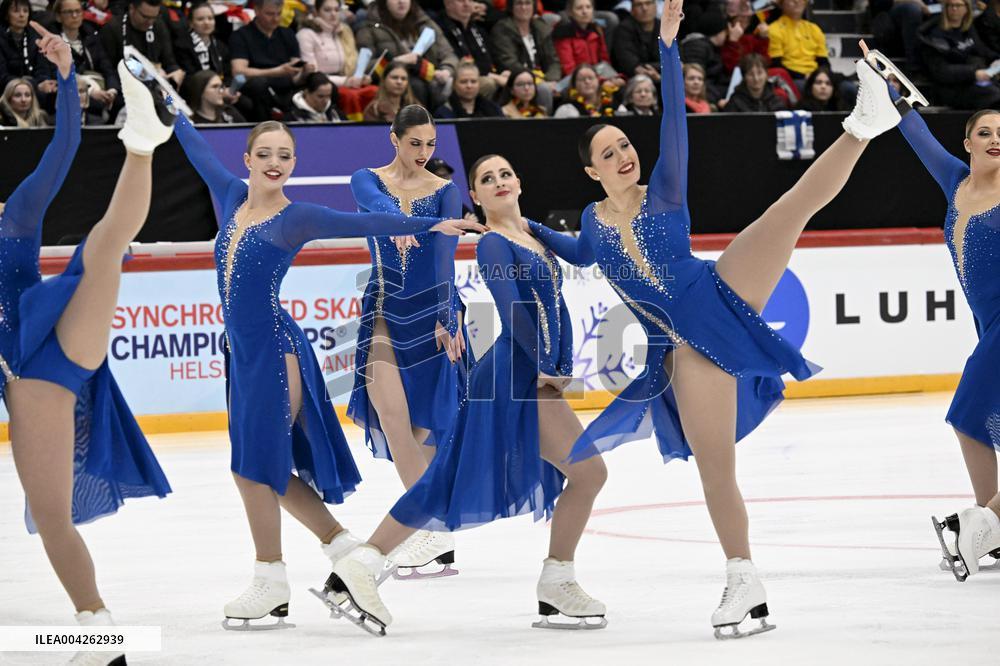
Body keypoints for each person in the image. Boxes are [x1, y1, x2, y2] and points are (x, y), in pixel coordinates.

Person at [527, 1, 908, 638]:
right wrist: (521, 226)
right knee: (715, 469)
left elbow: (674, 120)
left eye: (625, 144)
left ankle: (864, 124)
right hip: (682, 349)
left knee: (790, 208)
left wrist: (668, 46)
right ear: (591, 171)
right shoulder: (593, 223)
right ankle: (744, 581)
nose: (624, 155)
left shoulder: (664, 191)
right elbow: (574, 253)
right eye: (609, 152)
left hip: (719, 291)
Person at [172, 95, 482, 630]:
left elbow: (351, 221)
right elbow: (196, 147)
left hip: (275, 349)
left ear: (294, 165)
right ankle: (343, 549)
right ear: (246, 158)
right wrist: (164, 107)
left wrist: (430, 228)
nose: (275, 162)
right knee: (254, 468)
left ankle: (272, 578)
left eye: (285, 156)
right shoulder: (230, 195)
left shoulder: (298, 216)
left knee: (257, 466)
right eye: (265, 152)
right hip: (240, 353)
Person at [326, 154, 609, 636]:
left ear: (519, 181)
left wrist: (610, 202)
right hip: (516, 379)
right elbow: (515, 313)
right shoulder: (494, 245)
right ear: (474, 197)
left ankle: (362, 565)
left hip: (526, 378)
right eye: (486, 179)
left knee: (450, 483)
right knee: (583, 473)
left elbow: (584, 252)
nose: (499, 182)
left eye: (505, 174)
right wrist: (549, 367)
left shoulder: (533, 233)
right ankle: (556, 578)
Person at [1, 28, 173, 664]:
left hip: (54, 339)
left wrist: (68, 76)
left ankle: (142, 143)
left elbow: (65, 145)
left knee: (101, 250)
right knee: (51, 516)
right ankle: (97, 630)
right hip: (26, 378)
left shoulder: (14, 216)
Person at [885, 51, 1000, 581]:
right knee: (975, 421)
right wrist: (886, 80)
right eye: (986, 132)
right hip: (988, 323)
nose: (996, 139)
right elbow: (913, 130)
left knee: (965, 414)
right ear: (967, 143)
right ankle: (994, 532)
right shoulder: (954, 179)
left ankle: (988, 523)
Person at [346, 105, 469, 579]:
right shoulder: (367, 179)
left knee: (422, 429)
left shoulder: (445, 191)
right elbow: (374, 206)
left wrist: (445, 316)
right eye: (414, 143)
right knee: (394, 419)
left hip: (433, 311)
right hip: (383, 307)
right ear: (393, 139)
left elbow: (444, 256)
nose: (423, 153)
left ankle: (430, 533)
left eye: (430, 145)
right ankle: (432, 529)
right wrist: (400, 221)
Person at [354, 0, 458, 109]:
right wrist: (396, 61)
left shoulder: (425, 23)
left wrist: (446, 70)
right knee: (416, 86)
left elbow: (449, 55)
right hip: (392, 81)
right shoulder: (369, 28)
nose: (401, 1)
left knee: (464, 82)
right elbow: (363, 68)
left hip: (432, 77)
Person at [228, 0, 314, 121]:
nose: (275, 19)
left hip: (286, 85)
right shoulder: (241, 36)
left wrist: (304, 73)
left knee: (319, 80)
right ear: (257, 11)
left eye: (279, 14)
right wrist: (276, 71)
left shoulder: (288, 34)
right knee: (259, 84)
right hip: (259, 87)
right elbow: (238, 72)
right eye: (270, 14)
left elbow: (295, 76)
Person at [296, 0, 376, 119]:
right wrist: (346, 81)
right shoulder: (306, 34)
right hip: (321, 84)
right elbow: (313, 75)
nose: (333, 14)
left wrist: (360, 78)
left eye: (336, 10)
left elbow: (350, 65)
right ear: (317, 12)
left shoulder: (341, 32)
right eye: (327, 10)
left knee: (374, 91)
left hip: (344, 80)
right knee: (351, 96)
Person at [918, 0, 1000, 110]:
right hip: (952, 88)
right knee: (993, 95)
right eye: (951, 5)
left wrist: (995, 59)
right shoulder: (934, 35)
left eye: (958, 5)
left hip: (976, 80)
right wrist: (973, 73)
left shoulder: (967, 28)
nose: (954, 9)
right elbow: (941, 71)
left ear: (967, 8)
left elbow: (981, 50)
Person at [488, 0, 561, 113]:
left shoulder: (541, 28)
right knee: (543, 89)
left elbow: (553, 61)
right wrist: (539, 80)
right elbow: (508, 61)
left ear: (534, 7)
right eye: (519, 3)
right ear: (511, 7)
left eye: (527, 3)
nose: (523, 7)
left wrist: (552, 80)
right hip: (518, 80)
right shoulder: (502, 29)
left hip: (545, 79)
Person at [98, 0, 184, 89]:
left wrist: (176, 72)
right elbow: (109, 69)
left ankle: (168, 102)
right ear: (132, 8)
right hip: (127, 88)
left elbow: (169, 62)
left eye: (154, 17)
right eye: (145, 17)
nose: (150, 22)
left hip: (158, 87)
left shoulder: (158, 25)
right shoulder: (113, 29)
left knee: (170, 98)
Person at [52, 0, 119, 114]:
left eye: (78, 11)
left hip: (99, 87)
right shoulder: (52, 42)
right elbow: (58, 73)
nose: (75, 15)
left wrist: (112, 91)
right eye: (69, 12)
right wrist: (90, 91)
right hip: (71, 90)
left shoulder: (91, 37)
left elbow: (108, 69)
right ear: (58, 16)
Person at [435, 0, 509, 99]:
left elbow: (494, 56)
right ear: (448, 3)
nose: (466, 4)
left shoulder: (476, 28)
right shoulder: (440, 27)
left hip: (484, 75)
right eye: (461, 1)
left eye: (470, 0)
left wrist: (505, 71)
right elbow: (460, 61)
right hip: (457, 79)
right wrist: (492, 76)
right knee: (489, 83)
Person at [552, 0, 623, 88]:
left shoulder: (596, 30)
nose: (585, 11)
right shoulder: (563, 34)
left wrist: (614, 78)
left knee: (621, 84)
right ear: (570, 12)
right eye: (579, 8)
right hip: (574, 79)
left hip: (596, 74)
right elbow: (569, 69)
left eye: (588, 7)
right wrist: (600, 81)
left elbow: (604, 61)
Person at [767, 0, 829, 82]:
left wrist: (818, 76)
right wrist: (803, 76)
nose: (796, 1)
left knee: (846, 87)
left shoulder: (815, 29)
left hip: (816, 77)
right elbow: (776, 65)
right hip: (791, 78)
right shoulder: (774, 29)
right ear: (781, 4)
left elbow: (823, 62)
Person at [0, 0, 55, 90]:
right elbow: (2, 76)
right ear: (6, 15)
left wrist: (43, 82)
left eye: (25, 11)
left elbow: (42, 68)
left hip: (35, 87)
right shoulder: (2, 38)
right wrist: (34, 85)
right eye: (16, 11)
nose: (22, 15)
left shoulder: (35, 37)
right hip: (8, 89)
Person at [174, 1, 231, 81]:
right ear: (191, 23)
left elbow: (228, 75)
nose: (206, 22)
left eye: (210, 18)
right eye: (200, 19)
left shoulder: (220, 46)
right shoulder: (182, 45)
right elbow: (190, 77)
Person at [612, 0, 660, 83]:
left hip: (664, 77)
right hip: (633, 80)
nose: (644, 8)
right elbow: (631, 65)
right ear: (632, 10)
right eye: (639, 5)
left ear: (656, 7)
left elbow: (678, 62)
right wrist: (665, 66)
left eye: (648, 3)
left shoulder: (664, 27)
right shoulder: (623, 29)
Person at [434, 60, 503, 117]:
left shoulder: (493, 110)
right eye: (463, 82)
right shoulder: (443, 113)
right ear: (454, 84)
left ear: (479, 84)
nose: (469, 86)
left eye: (473, 81)